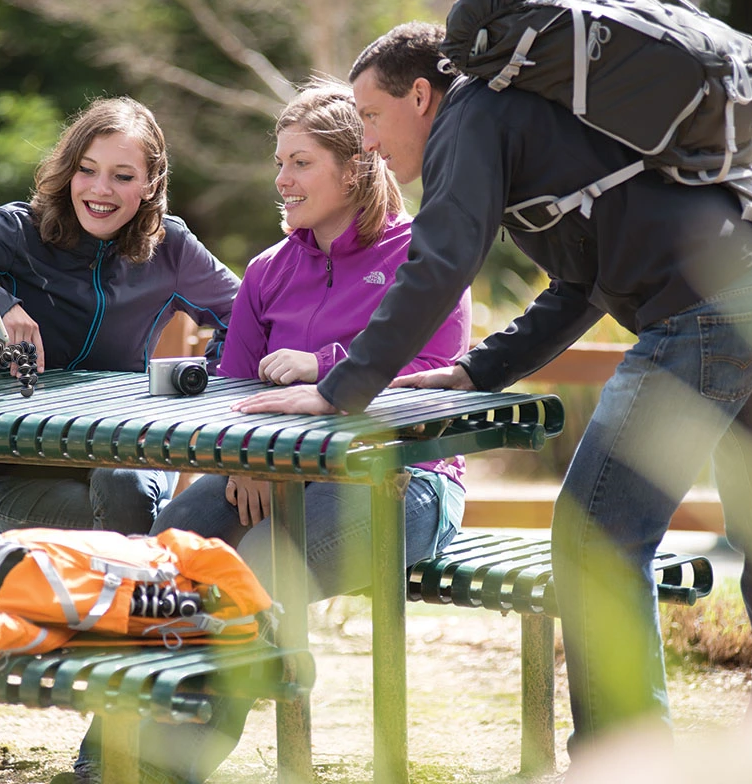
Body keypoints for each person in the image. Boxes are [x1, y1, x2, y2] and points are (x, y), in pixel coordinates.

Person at [233, 22, 752, 758]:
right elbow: (584, 283)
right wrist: (480, 369)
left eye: (373, 117)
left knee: (596, 537)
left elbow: (439, 265)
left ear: (421, 95)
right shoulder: (529, 122)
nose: (371, 142)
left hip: (712, 307)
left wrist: (342, 387)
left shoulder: (470, 118)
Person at [54, 82, 472, 784]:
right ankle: (107, 761)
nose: (282, 180)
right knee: (170, 556)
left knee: (247, 572)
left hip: (403, 483)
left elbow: (436, 376)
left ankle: (167, 769)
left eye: (300, 163)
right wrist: (246, 461)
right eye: (280, 162)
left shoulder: (423, 257)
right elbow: (231, 394)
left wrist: (328, 367)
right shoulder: (269, 271)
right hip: (272, 475)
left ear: (355, 168)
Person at [0, 97, 240, 537]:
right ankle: (153, 570)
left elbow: (247, 316)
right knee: (149, 526)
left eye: (122, 176)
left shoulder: (171, 247)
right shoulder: (17, 233)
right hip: (25, 473)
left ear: (150, 184)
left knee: (124, 485)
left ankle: (140, 570)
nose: (100, 189)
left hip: (130, 449)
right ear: (69, 170)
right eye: (87, 169)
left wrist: (199, 385)